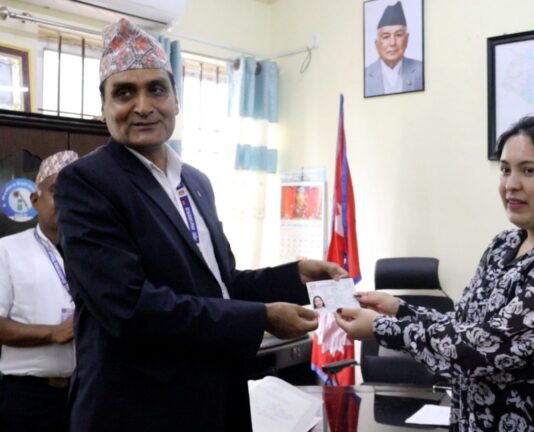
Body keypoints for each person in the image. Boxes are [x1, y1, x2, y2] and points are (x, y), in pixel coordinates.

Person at [55, 18, 346, 432]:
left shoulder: (194, 181)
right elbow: (129, 307)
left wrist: (293, 276)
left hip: (213, 397)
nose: (143, 106)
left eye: (157, 89)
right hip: (137, 412)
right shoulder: (87, 182)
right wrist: (260, 318)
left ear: (176, 100)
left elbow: (220, 283)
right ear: (103, 109)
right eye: (124, 93)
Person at [335, 113, 534, 431]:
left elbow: (488, 348)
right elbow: (464, 327)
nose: (511, 185)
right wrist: (400, 310)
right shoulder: (504, 244)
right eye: (505, 169)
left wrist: (383, 329)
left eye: (529, 171)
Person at [0, 150, 78, 432]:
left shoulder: (96, 253)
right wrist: (53, 333)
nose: (69, 200)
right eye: (57, 191)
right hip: (28, 398)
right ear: (35, 200)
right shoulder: (7, 250)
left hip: (86, 395)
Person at [364, 1, 423, 97]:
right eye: (386, 36)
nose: (392, 43)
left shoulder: (420, 70)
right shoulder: (365, 75)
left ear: (407, 39)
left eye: (398, 35)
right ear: (377, 44)